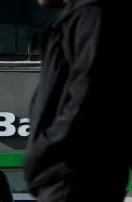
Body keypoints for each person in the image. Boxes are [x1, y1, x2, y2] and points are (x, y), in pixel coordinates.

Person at [23, 0, 132, 201]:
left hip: (74, 174)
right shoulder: (84, 15)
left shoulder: (92, 15)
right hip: (70, 171)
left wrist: (45, 151)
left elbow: (88, 97)